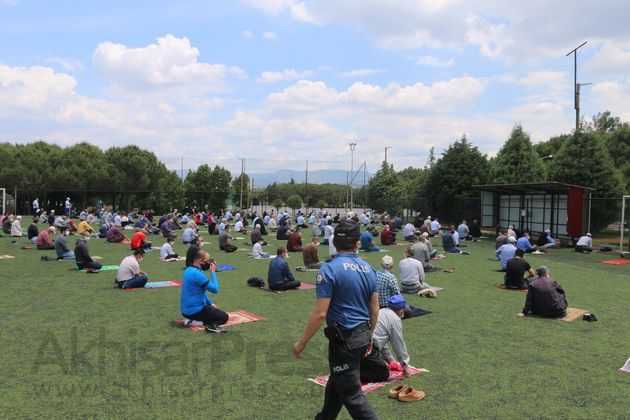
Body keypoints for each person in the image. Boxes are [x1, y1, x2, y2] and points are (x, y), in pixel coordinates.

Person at [293, 219, 379, 420]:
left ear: (334, 242)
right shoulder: (369, 268)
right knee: (338, 382)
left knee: (352, 395)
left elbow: (320, 314)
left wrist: (301, 342)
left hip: (345, 340)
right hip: (362, 335)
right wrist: (370, 336)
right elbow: (374, 309)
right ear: (357, 243)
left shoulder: (329, 269)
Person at [360, 294, 411, 383]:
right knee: (383, 374)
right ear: (401, 310)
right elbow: (399, 345)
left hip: (357, 343)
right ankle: (353, 373)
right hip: (368, 348)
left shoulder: (381, 311)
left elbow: (381, 341)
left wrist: (390, 360)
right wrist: (405, 367)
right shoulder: (395, 319)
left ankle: (353, 366)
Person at [181, 250, 229, 333]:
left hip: (185, 310)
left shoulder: (188, 270)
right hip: (194, 311)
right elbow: (215, 289)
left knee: (213, 310)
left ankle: (192, 319)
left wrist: (210, 303)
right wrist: (213, 272)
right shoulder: (197, 274)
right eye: (208, 261)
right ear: (201, 261)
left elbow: (199, 291)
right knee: (224, 317)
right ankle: (199, 323)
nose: (209, 263)